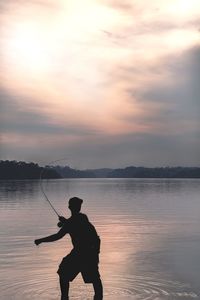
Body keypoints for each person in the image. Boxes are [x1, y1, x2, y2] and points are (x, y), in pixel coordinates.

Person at [34, 197, 103, 300]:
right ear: (78, 207)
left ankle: (65, 297)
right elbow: (75, 224)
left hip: (82, 253)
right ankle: (98, 297)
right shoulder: (82, 218)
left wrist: (41, 240)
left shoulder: (73, 222)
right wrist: (65, 222)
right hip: (90, 252)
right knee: (93, 278)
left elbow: (57, 236)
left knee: (64, 273)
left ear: (69, 207)